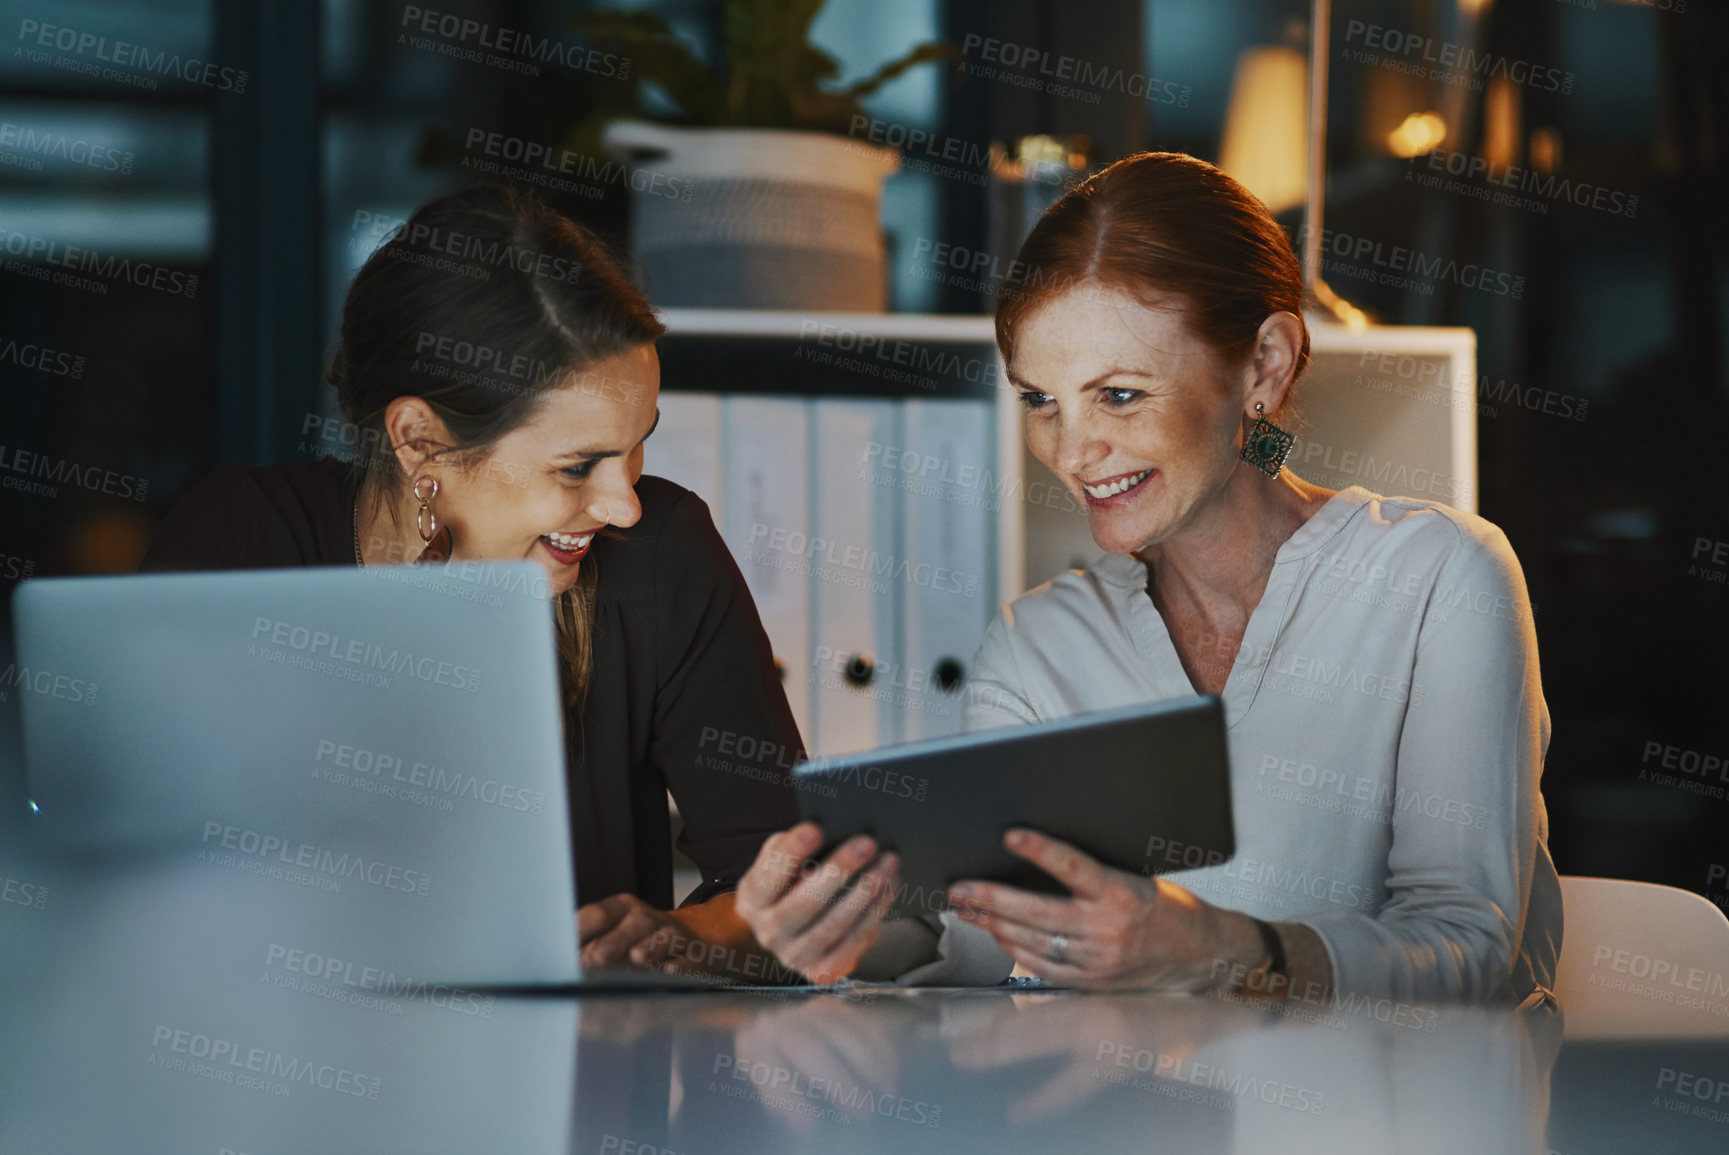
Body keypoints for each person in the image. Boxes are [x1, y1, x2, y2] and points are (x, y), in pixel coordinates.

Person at [737, 152, 1562, 1007]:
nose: (1069, 450)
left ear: (1263, 366)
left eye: (1120, 395)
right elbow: (983, 957)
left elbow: (1470, 951)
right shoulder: (1036, 645)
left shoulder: (1439, 577)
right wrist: (834, 932)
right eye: (1039, 400)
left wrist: (1216, 950)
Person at [138, 184, 802, 978]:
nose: (622, 504)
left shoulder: (662, 553)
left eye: (636, 446)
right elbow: (133, 878)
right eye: (576, 465)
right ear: (419, 439)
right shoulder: (244, 540)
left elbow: (788, 878)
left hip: (581, 1090)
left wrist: (697, 936)